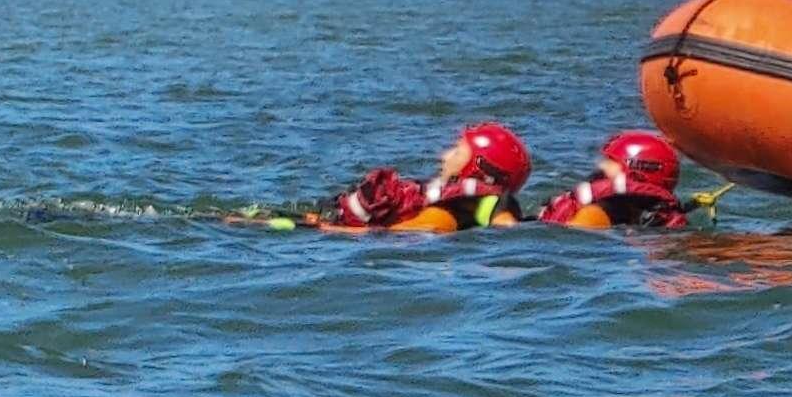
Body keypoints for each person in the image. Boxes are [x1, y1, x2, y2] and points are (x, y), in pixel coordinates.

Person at [261, 121, 533, 232]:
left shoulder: (457, 210)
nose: (444, 156)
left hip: (328, 231)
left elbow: (416, 232)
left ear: (480, 168)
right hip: (327, 218)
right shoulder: (477, 204)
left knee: (234, 221)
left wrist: (330, 231)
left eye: (457, 150)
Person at [538, 131, 693, 229]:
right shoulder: (659, 217)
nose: (601, 166)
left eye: (610, 163)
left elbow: (571, 243)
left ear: (636, 172)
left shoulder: (597, 212)